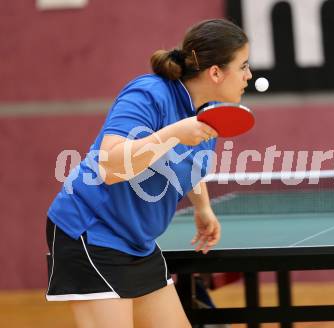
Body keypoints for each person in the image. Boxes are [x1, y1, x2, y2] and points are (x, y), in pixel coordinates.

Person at [45, 18, 252, 328]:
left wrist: (203, 208)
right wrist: (174, 134)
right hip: (92, 231)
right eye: (243, 66)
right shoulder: (149, 93)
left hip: (138, 241)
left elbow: (188, 164)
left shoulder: (206, 112)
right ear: (216, 72)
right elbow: (111, 167)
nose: (249, 75)